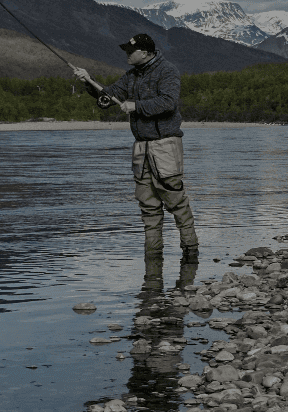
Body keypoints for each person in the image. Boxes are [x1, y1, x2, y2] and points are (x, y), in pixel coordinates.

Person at [73, 33, 200, 261]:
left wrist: (136, 106)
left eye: (130, 51)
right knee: (148, 206)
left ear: (145, 52)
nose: (127, 54)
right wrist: (88, 81)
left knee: (176, 202)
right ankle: (153, 259)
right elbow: (108, 96)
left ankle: (191, 253)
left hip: (165, 146)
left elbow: (169, 103)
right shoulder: (131, 76)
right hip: (141, 149)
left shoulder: (167, 71)